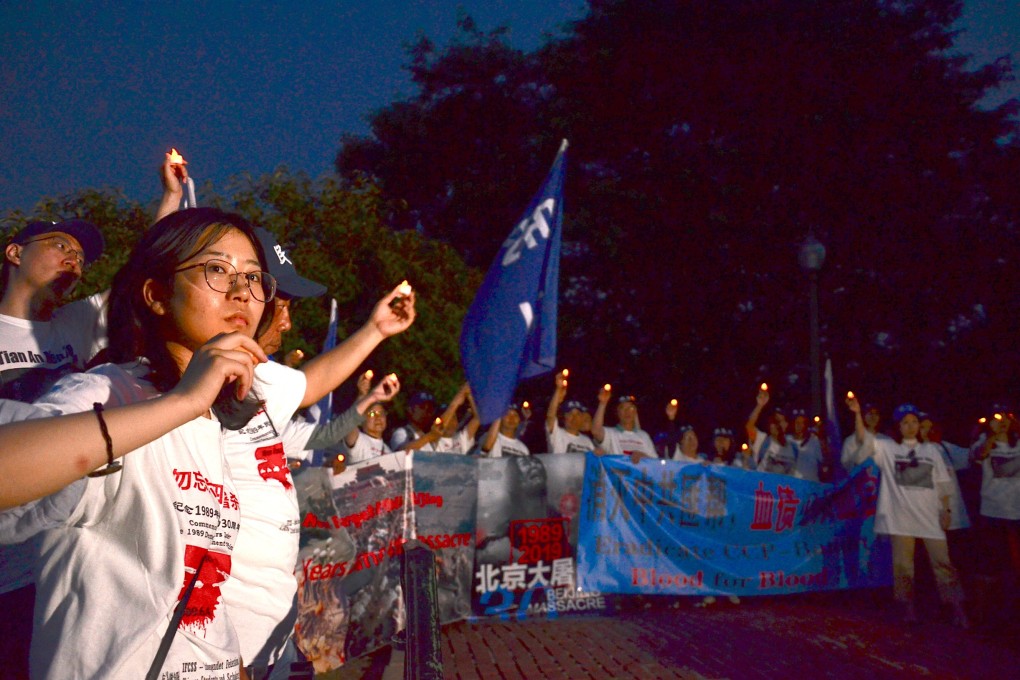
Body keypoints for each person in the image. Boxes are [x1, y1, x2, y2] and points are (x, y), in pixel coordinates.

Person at [0, 207, 279, 678]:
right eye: (216, 270)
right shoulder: (110, 394)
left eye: (254, 278)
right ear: (155, 295)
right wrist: (184, 402)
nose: (242, 292)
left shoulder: (212, 417)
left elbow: (189, 582)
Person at [845, 395, 969, 627]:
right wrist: (857, 414)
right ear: (898, 427)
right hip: (900, 519)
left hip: (929, 518)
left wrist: (946, 509)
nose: (910, 426)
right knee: (903, 566)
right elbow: (863, 439)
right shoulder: (888, 449)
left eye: (914, 421)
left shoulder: (932, 451)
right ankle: (908, 607)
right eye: (905, 422)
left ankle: (957, 608)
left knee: (943, 564)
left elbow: (943, 483)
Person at [971, 407, 1020, 604]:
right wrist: (992, 435)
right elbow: (978, 455)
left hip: (1017, 508)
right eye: (997, 418)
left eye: (1006, 417)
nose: (1003, 422)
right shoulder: (983, 442)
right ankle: (986, 606)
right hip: (992, 509)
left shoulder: (1018, 443)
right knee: (991, 561)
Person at [592, 387, 656, 463]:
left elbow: (655, 462)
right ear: (617, 412)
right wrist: (603, 403)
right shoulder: (611, 434)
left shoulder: (644, 436)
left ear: (635, 411)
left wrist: (643, 456)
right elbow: (596, 431)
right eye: (622, 408)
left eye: (630, 408)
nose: (627, 412)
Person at [745, 387, 797, 476]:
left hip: (783, 489)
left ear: (786, 424)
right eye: (774, 421)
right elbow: (749, 426)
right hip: (763, 488)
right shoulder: (762, 440)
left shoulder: (792, 447)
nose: (777, 426)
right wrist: (759, 406)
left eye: (780, 421)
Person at [545, 370, 595, 454]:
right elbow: (550, 416)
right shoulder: (557, 434)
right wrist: (558, 390)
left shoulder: (587, 441)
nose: (574, 417)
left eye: (578, 414)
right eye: (570, 413)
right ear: (564, 417)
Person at [841, 402, 891, 471]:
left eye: (876, 413)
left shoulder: (886, 440)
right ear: (863, 416)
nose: (873, 417)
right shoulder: (850, 440)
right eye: (870, 413)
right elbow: (846, 466)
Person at [787, 408, 824, 481]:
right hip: (790, 486)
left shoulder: (814, 441)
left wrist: (821, 437)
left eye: (802, 422)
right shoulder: (786, 440)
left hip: (810, 485)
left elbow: (824, 461)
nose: (799, 425)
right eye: (796, 422)